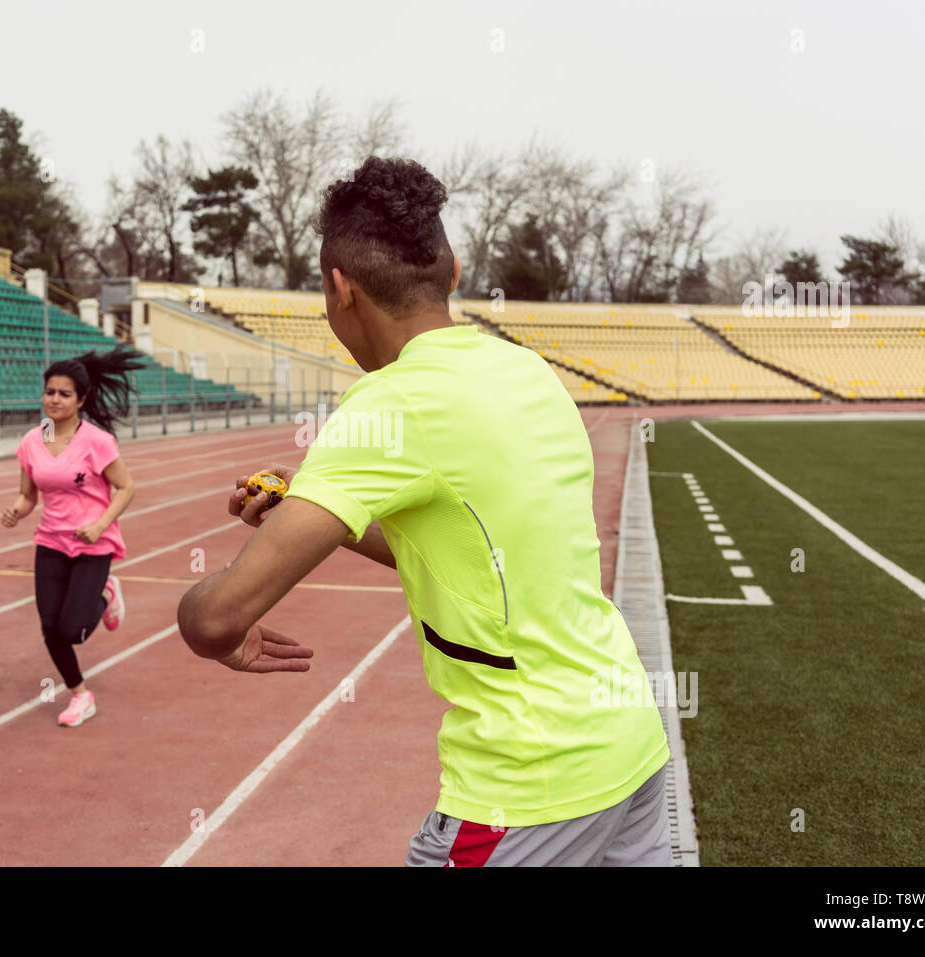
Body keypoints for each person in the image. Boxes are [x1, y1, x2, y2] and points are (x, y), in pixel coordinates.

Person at [177, 156, 673, 866]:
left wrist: (221, 630)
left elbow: (212, 617)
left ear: (339, 289)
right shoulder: (526, 370)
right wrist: (317, 512)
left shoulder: (386, 403)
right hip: (627, 743)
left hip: (527, 782)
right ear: (456, 271)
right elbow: (467, 545)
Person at [2, 347, 144, 727]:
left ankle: (106, 593)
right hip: (50, 542)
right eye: (50, 392)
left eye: (64, 394)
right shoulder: (32, 441)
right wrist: (16, 510)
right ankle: (80, 694)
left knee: (74, 630)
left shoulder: (96, 441)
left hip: (92, 544)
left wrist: (99, 525)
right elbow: (29, 495)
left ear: (81, 399)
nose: (55, 400)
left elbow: (126, 488)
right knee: (50, 627)